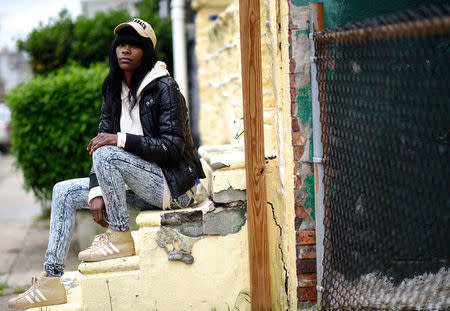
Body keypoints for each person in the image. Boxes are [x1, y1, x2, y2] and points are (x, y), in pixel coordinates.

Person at [8, 18, 205, 310]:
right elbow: (103, 140)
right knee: (63, 191)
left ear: (146, 52)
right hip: (138, 184)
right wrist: (96, 190)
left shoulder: (165, 88)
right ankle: (51, 280)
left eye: (134, 46)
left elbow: (172, 148)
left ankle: (120, 235)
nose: (125, 50)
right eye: (121, 45)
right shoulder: (113, 89)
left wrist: (120, 140)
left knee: (108, 151)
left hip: (173, 187)